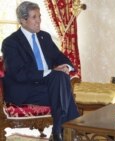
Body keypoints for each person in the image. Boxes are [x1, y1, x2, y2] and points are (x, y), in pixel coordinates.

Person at [1, 1, 80, 141]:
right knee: (62, 87)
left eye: (39, 16)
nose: (39, 21)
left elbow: (59, 57)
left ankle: (60, 132)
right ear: (22, 21)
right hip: (24, 89)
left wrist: (66, 67)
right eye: (34, 17)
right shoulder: (10, 43)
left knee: (60, 79)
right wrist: (51, 71)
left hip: (48, 85)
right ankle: (68, 131)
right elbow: (19, 74)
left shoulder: (44, 37)